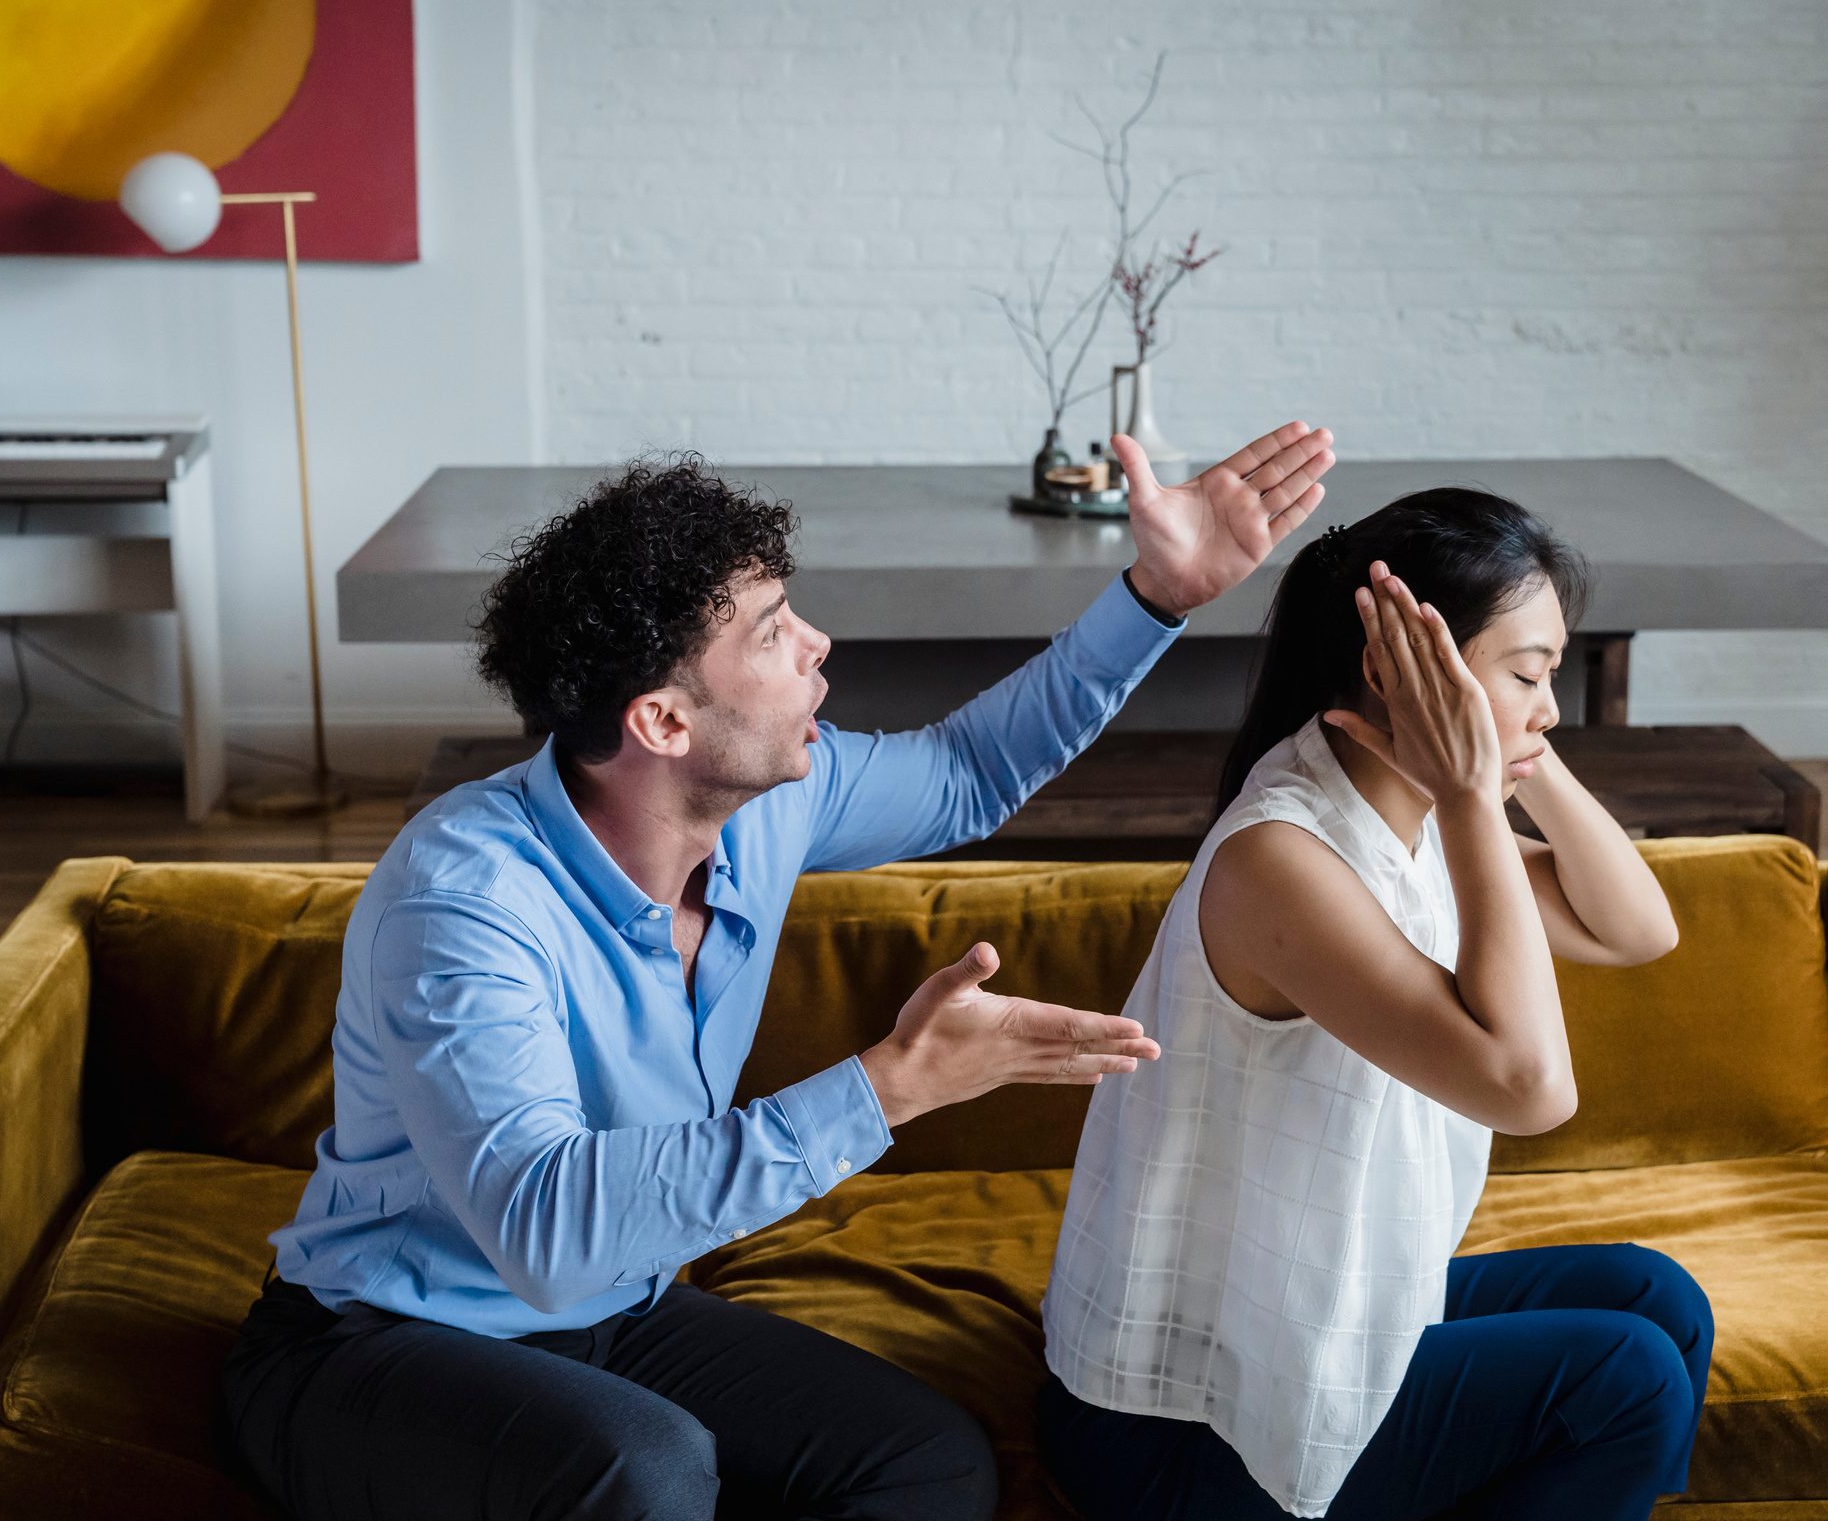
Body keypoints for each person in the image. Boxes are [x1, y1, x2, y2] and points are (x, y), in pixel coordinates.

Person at [221, 423, 1336, 1521]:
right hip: (376, 1345)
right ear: (661, 719)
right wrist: (888, 1087)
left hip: (617, 1306)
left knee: (926, 1462)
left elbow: (964, 771)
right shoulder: (463, 899)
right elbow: (547, 1232)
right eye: (769, 634)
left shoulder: (766, 806)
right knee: (646, 1467)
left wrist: (1154, 595)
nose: (817, 646)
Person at [1039, 488, 1711, 1521]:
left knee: (1657, 1297)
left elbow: (1637, 928)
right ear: (1400, 674)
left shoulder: (1413, 816)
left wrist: (1510, 756)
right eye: (1531, 674)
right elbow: (1527, 1088)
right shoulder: (1282, 855)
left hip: (1286, 1326)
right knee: (1624, 1375)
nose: (1553, 704)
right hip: (1170, 1426)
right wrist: (1475, 788)